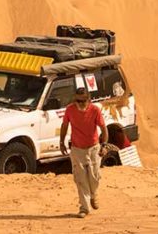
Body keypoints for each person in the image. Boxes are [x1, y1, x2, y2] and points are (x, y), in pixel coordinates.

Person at [60, 87, 108, 218]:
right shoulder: (70, 109)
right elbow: (64, 126)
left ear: (89, 99)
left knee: (94, 177)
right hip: (77, 149)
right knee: (80, 179)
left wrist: (104, 146)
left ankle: (93, 195)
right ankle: (84, 208)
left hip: (93, 148)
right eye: (77, 100)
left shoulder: (95, 110)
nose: (80, 103)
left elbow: (103, 128)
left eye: (83, 101)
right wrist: (61, 142)